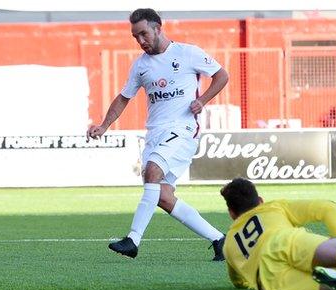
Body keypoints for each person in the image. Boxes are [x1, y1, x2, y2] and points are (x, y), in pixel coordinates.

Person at [87, 8, 229, 260]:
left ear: (158, 28)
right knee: (162, 196)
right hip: (155, 133)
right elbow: (123, 98)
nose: (140, 41)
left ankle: (133, 239)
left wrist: (203, 100)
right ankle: (219, 239)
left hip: (183, 129)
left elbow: (221, 75)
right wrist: (104, 125)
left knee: (153, 170)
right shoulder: (140, 66)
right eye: (135, 37)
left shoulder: (188, 53)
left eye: (143, 34)